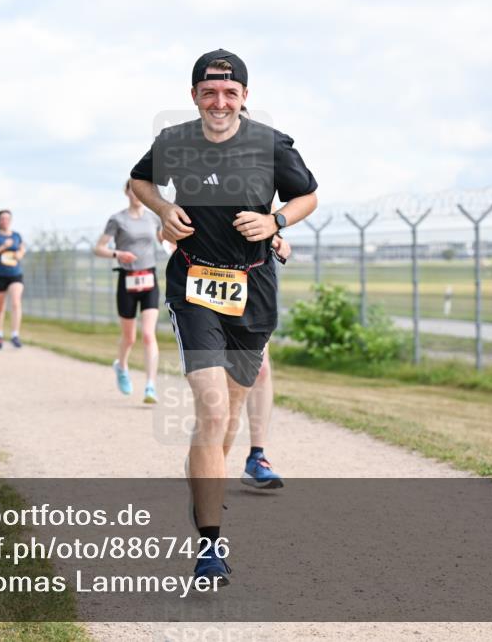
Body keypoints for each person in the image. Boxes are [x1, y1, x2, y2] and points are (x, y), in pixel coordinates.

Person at [129, 49, 318, 584]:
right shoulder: (175, 142)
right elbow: (140, 181)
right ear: (194, 95)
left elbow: (307, 195)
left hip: (253, 291)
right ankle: (210, 546)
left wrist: (276, 221)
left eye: (230, 93)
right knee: (212, 409)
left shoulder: (271, 145)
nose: (219, 102)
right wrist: (164, 209)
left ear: (244, 97)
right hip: (194, 287)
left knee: (228, 417)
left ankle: (206, 485)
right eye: (209, 92)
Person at [94, 179, 168, 403]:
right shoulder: (117, 219)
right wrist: (118, 254)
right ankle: (122, 366)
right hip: (127, 279)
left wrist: (171, 239)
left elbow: (163, 240)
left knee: (148, 334)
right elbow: (99, 248)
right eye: (132, 190)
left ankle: (150, 386)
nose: (136, 194)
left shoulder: (153, 218)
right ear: (126, 192)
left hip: (149, 279)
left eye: (140, 191)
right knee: (130, 337)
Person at [0, 210, 26, 349]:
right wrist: (3, 247)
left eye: (7, 218)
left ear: (11, 220)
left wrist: (20, 254)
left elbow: (22, 249)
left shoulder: (16, 236)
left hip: (15, 273)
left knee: (16, 302)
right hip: (0, 275)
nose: (5, 221)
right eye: (2, 218)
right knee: (1, 306)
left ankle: (15, 335)